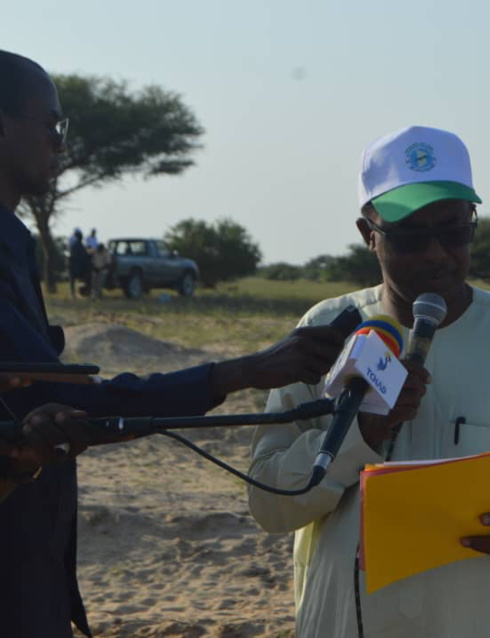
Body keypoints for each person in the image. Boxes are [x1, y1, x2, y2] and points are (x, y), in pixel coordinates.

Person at [0, 50, 353, 637]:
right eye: (52, 126)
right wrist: (241, 372)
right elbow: (70, 403)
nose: (60, 146)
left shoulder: (16, 241)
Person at [248, 126, 490, 637]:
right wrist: (364, 435)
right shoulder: (325, 334)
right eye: (411, 237)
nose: (436, 253)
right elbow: (269, 504)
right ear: (367, 233)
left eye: (454, 231)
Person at [68, 228, 89, 298]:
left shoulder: (79, 245)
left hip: (79, 265)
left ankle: (80, 292)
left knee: (80, 280)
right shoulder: (75, 245)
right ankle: (73, 294)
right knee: (73, 280)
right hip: (75, 265)